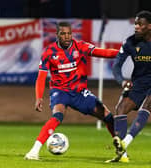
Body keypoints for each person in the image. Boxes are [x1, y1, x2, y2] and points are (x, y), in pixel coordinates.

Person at [24, 21, 120, 160]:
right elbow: (41, 77)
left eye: (69, 33)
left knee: (107, 116)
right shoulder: (49, 52)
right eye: (63, 34)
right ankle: (34, 151)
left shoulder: (80, 46)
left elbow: (102, 52)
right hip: (60, 91)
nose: (67, 36)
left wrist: (122, 52)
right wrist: (39, 97)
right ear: (57, 34)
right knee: (58, 115)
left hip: (79, 92)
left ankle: (121, 150)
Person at [107, 10, 151, 163]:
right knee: (120, 108)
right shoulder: (130, 42)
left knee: (147, 104)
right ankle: (122, 154)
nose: (136, 27)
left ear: (150, 26)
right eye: (136, 24)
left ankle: (126, 141)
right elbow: (116, 65)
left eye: (140, 24)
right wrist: (122, 81)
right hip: (139, 82)